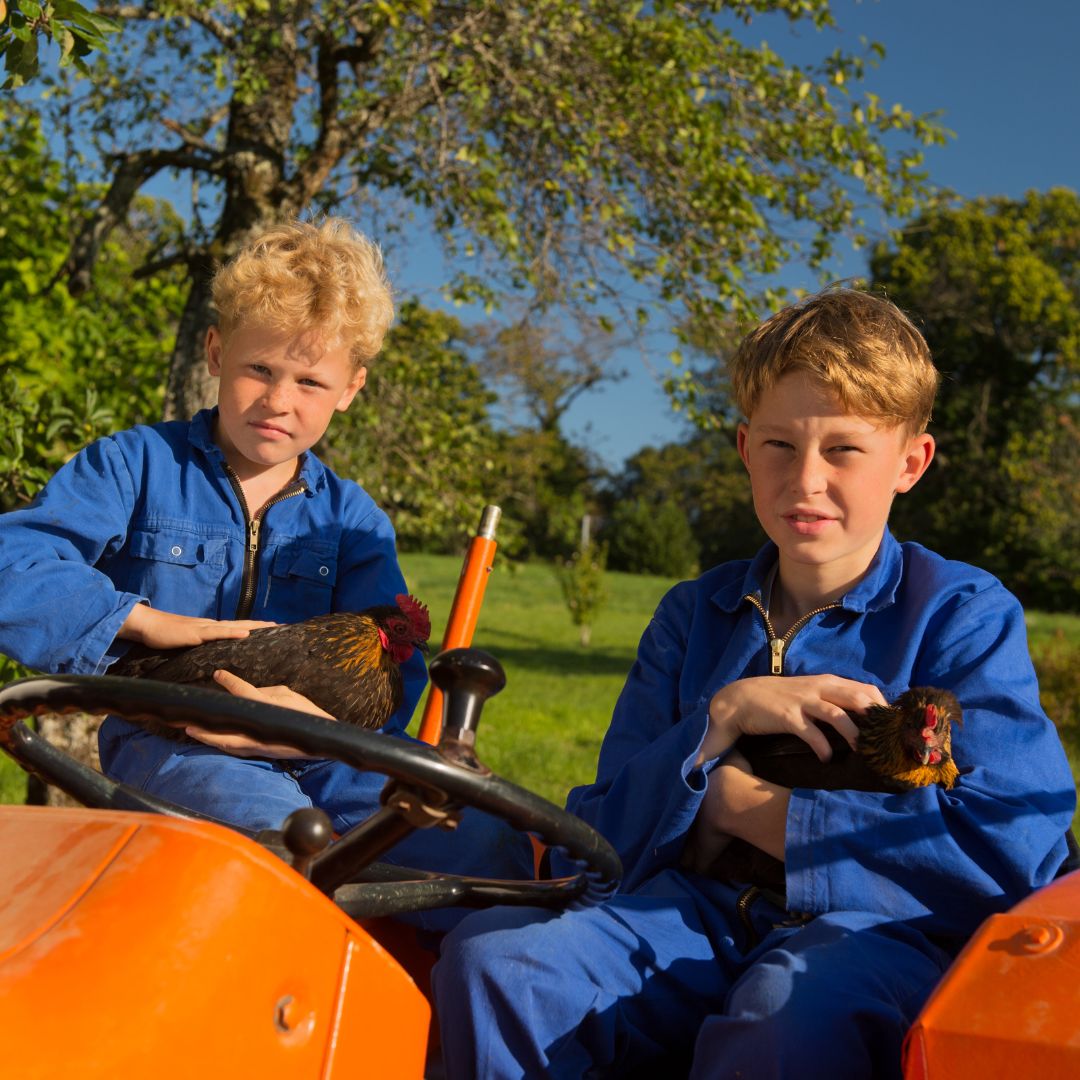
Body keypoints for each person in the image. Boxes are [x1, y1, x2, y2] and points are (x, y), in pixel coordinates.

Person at [430, 288, 1077, 1079]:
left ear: (911, 462)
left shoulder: (960, 616)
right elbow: (602, 837)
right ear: (743, 448)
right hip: (691, 919)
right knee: (496, 965)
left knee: (782, 1015)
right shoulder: (691, 616)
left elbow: (1011, 853)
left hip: (875, 937)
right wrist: (721, 717)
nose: (805, 480)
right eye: (779, 445)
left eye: (843, 449)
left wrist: (741, 806)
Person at [0, 218, 532, 909]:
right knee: (274, 835)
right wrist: (143, 620)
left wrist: (310, 725)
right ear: (216, 351)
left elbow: (392, 666)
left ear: (352, 388)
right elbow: (13, 561)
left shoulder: (354, 521)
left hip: (326, 753)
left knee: (491, 845)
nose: (279, 400)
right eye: (260, 369)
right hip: (172, 741)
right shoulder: (134, 466)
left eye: (311, 381)